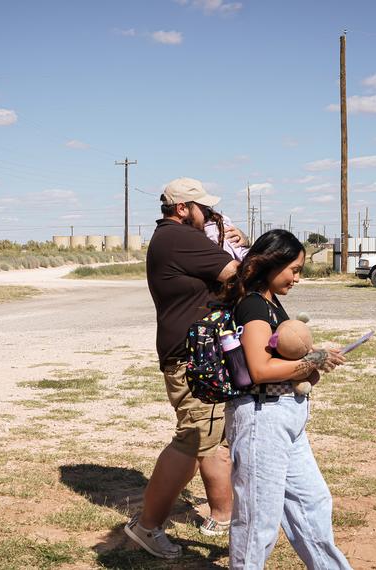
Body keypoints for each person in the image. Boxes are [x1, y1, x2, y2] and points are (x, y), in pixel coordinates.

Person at [124, 177, 244, 559]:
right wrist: (246, 248)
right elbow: (240, 276)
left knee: (211, 434)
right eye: (203, 208)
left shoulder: (171, 238)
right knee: (194, 437)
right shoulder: (181, 238)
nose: (208, 214)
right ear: (182, 208)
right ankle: (146, 527)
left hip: (198, 352)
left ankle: (222, 514)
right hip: (193, 357)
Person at [220, 229, 352, 570]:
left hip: (286, 418)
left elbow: (283, 355)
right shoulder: (251, 305)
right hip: (261, 419)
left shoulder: (270, 302)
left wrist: (317, 355)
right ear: (271, 263)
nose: (297, 278)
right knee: (257, 521)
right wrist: (313, 362)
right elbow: (260, 369)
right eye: (293, 269)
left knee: (312, 503)